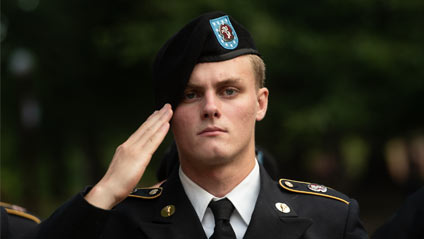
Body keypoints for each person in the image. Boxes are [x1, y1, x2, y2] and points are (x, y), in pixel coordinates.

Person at [38, 11, 368, 239]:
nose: (211, 108)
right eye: (191, 94)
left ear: (260, 102)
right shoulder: (121, 222)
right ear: (164, 114)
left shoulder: (332, 220)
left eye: (229, 91)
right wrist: (106, 191)